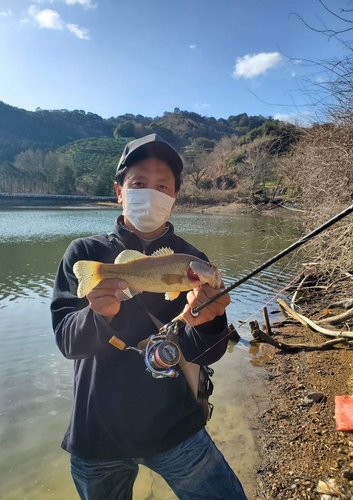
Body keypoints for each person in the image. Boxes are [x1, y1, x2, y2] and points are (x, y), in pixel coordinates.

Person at [51, 133, 247, 500]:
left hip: (173, 424)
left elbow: (204, 354)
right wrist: (98, 315)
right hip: (97, 430)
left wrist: (211, 322)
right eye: (139, 184)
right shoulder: (86, 253)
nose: (150, 193)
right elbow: (67, 341)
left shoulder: (191, 258)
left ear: (174, 197)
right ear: (119, 191)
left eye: (162, 186)